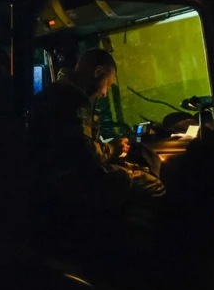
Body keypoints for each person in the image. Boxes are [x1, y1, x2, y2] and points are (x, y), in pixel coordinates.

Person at [27, 48, 165, 237]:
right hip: (74, 183)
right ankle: (141, 249)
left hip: (59, 180)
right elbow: (85, 154)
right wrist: (113, 149)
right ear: (98, 72)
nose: (105, 93)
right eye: (107, 84)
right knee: (154, 185)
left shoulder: (56, 92)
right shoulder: (71, 98)